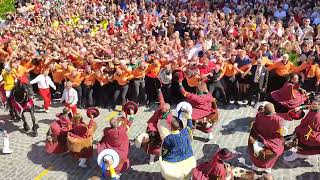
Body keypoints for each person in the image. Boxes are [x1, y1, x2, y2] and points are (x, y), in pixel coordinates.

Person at [157, 102, 196, 180]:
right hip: (187, 155)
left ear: (171, 128)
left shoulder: (168, 138)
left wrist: (162, 157)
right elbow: (190, 126)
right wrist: (189, 116)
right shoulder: (184, 132)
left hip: (172, 159)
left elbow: (164, 150)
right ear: (179, 128)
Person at [248, 103, 286, 173]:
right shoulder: (279, 119)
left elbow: (256, 123)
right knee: (278, 148)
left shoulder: (259, 115)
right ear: (274, 111)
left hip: (259, 135)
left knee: (252, 147)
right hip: (271, 138)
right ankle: (267, 167)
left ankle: (256, 165)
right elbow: (282, 132)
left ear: (264, 110)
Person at [284, 95, 320, 161]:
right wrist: (301, 107)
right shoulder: (315, 107)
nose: (312, 105)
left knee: (301, 142)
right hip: (306, 127)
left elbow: (314, 129)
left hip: (310, 133)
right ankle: (304, 154)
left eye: (314, 104)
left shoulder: (317, 117)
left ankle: (299, 154)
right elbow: (309, 106)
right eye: (312, 103)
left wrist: (300, 131)